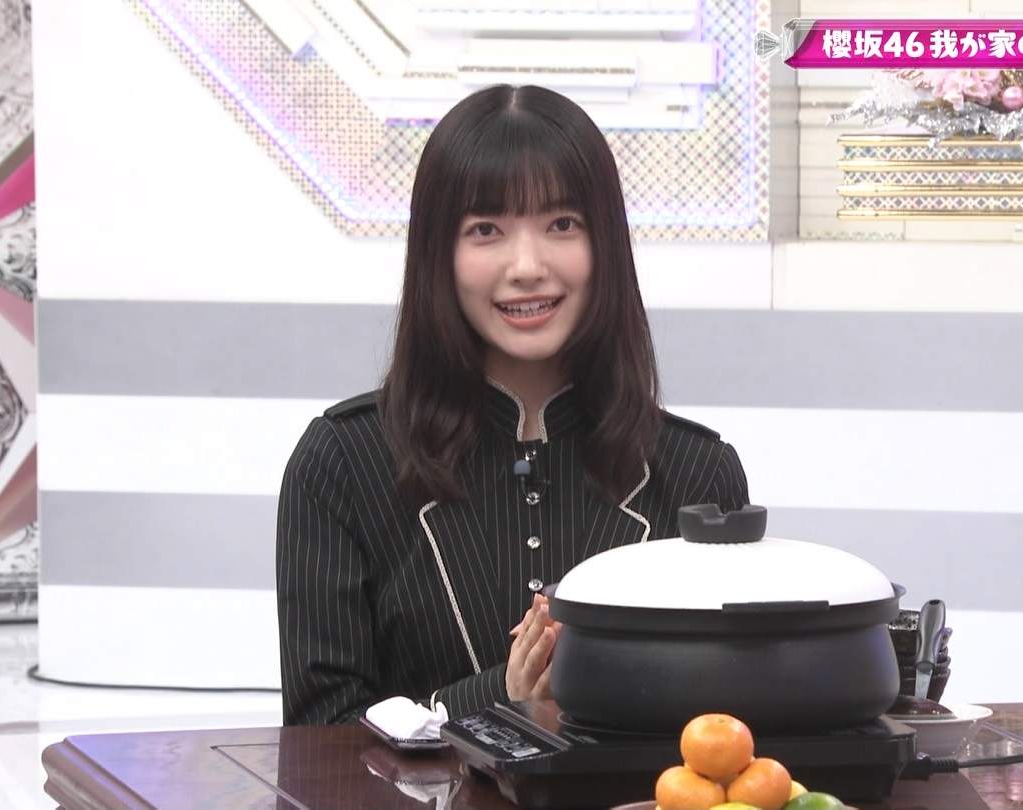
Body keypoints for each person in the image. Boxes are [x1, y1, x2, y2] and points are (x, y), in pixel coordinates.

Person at [276, 84, 750, 725]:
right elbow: (320, 740)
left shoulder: (698, 473)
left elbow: (729, 729)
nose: (527, 266)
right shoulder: (344, 462)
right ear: (438, 255)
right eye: (486, 230)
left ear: (606, 244)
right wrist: (498, 695)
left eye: (562, 224)